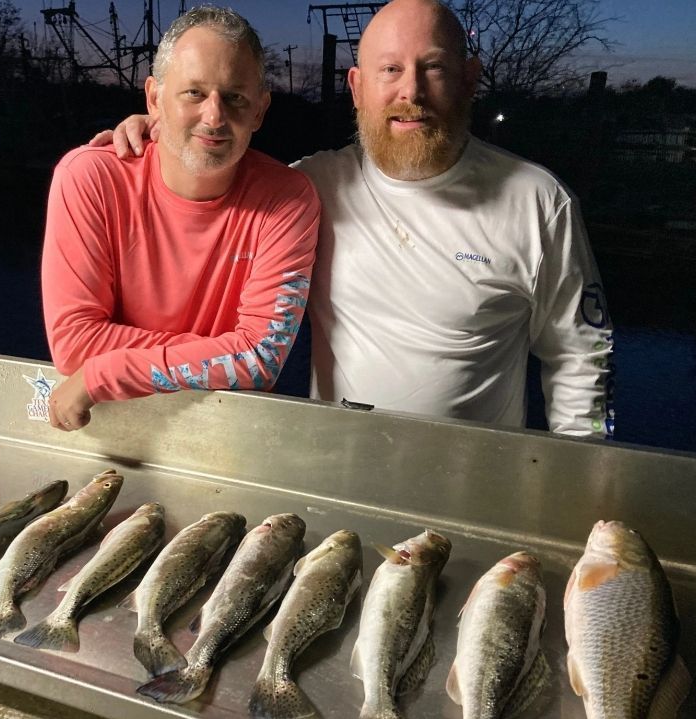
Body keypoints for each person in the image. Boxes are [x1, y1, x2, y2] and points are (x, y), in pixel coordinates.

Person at [93, 0, 614, 438]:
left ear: (469, 80)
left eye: (433, 68)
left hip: (475, 490)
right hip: (337, 478)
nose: (411, 92)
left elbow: (580, 356)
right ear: (358, 87)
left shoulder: (538, 203)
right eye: (390, 70)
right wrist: (159, 131)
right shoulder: (309, 189)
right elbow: (209, 177)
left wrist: (574, 480)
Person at [41, 6, 320, 432]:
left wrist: (107, 371)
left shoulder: (289, 199)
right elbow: (75, 345)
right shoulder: (89, 178)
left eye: (235, 97)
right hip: (110, 427)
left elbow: (261, 363)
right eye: (193, 93)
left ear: (260, 111)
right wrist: (227, 353)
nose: (214, 117)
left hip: (229, 431)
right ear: (154, 98)